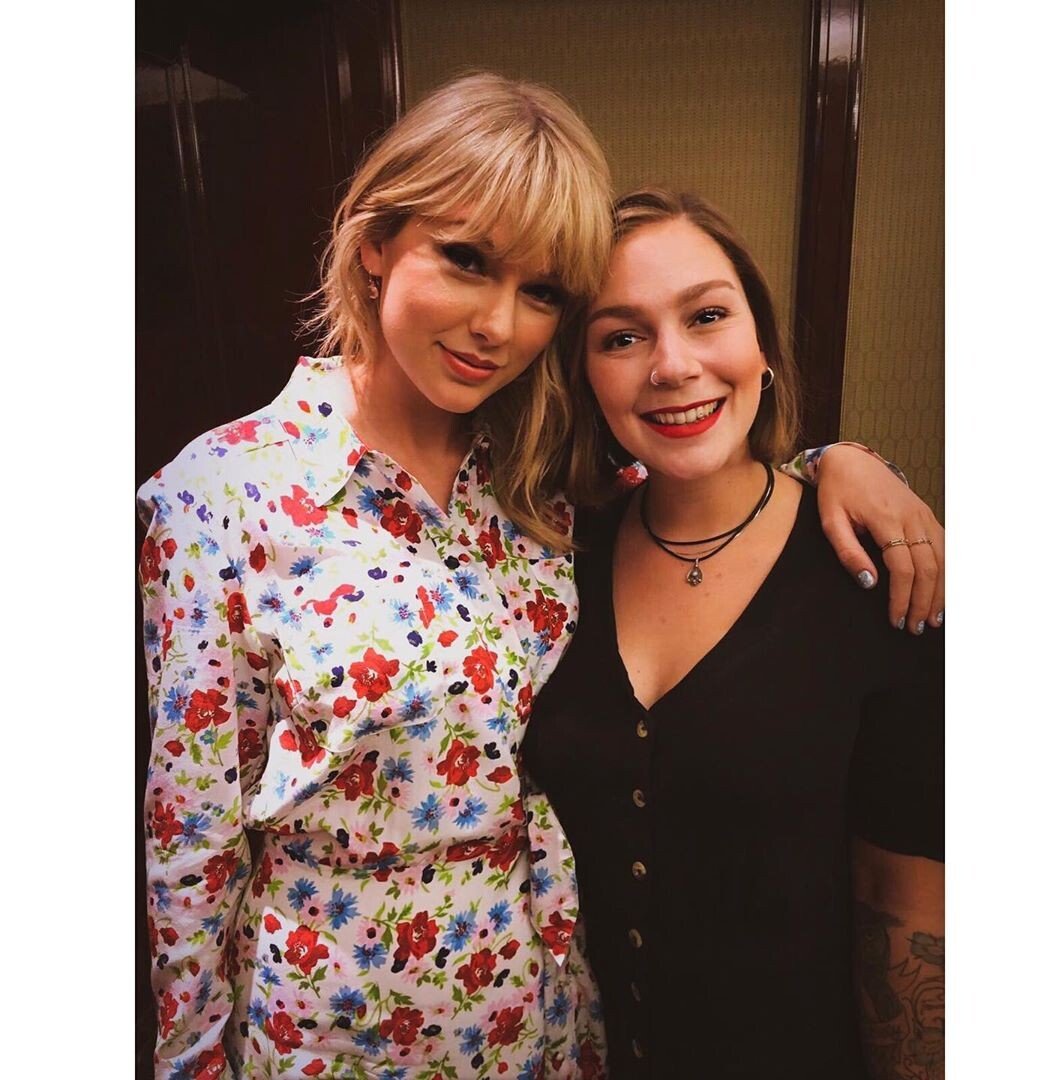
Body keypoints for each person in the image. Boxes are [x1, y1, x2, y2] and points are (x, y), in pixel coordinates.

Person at [138, 73, 943, 1079]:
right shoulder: (220, 499)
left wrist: (837, 465)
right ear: (375, 241)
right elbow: (190, 843)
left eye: (543, 293)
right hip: (335, 1039)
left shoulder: (543, 484)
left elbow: (707, 473)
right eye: (467, 261)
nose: (497, 323)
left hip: (550, 1027)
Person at [523, 189, 945, 1079]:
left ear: (763, 346)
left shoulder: (874, 576)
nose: (672, 366)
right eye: (622, 337)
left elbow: (905, 904)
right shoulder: (554, 556)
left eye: (707, 316)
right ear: (584, 373)